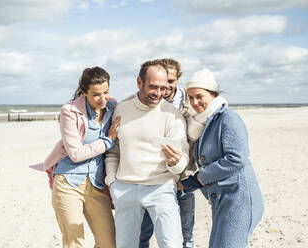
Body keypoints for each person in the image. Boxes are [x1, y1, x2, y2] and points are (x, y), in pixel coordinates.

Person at [105, 59, 189, 248]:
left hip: (161, 188)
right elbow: (113, 150)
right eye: (153, 87)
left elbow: (183, 159)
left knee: (172, 244)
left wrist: (175, 162)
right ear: (139, 82)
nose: (158, 94)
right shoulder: (122, 108)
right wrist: (112, 180)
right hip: (124, 187)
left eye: (162, 88)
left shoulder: (172, 115)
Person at [33, 67, 120, 248]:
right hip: (68, 182)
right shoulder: (69, 111)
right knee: (74, 242)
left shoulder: (112, 107)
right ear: (84, 92)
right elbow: (76, 154)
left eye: (106, 92)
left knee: (109, 243)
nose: (103, 98)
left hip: (96, 185)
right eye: (96, 94)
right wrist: (108, 141)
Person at [179, 68, 264, 248]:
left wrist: (198, 178)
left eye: (199, 96)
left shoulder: (228, 118)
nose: (194, 102)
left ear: (213, 94)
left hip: (239, 201)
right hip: (222, 200)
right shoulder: (203, 122)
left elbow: (236, 159)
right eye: (190, 97)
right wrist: (187, 184)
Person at [139, 58, 196, 248]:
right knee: (144, 232)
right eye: (163, 83)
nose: (166, 88)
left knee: (185, 233)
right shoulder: (151, 100)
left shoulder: (192, 104)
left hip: (184, 178)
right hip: (154, 179)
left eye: (171, 82)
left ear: (178, 79)